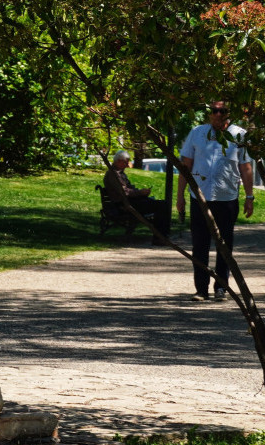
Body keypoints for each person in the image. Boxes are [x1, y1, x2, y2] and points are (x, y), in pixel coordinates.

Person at [176, 100, 254, 302]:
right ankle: (201, 289)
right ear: (209, 113)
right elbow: (185, 166)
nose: (218, 114)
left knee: (224, 245)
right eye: (214, 111)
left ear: (229, 113)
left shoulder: (239, 135)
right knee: (199, 245)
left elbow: (246, 167)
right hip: (200, 197)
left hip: (227, 197)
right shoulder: (197, 133)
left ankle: (221, 287)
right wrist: (180, 196)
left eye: (223, 111)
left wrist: (249, 196)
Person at [103, 150, 170, 243]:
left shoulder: (119, 173)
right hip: (124, 205)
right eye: (126, 162)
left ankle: (162, 236)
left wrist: (141, 192)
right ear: (118, 161)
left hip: (130, 202)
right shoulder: (113, 174)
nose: (127, 165)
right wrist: (140, 193)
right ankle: (159, 237)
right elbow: (125, 192)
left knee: (162, 204)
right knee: (161, 205)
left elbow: (129, 189)